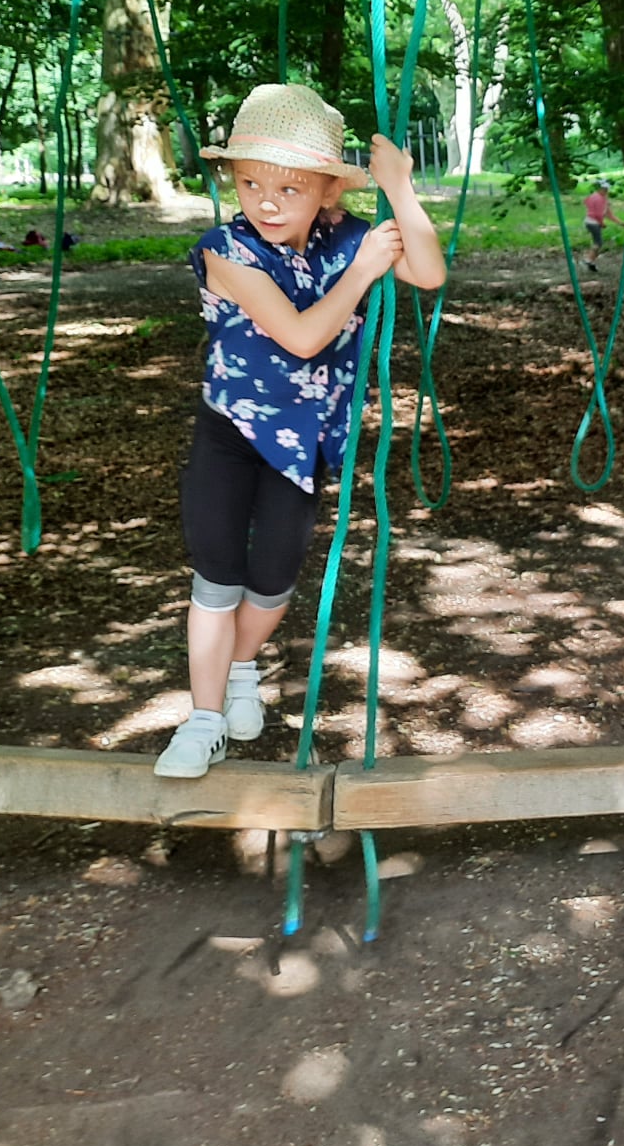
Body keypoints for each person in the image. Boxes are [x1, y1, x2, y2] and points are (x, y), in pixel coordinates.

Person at [154, 82, 447, 778]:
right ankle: (203, 722)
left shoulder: (347, 237)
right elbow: (302, 336)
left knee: (274, 580)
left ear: (327, 191)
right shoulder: (227, 250)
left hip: (307, 438)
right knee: (216, 575)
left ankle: (242, 668)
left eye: (289, 189)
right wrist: (361, 275)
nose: (266, 202)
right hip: (230, 431)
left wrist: (400, 189)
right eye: (250, 184)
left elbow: (428, 272)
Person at [584, 178, 621, 272]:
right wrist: (601, 223)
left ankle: (591, 261)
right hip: (593, 222)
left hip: (590, 221)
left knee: (597, 242)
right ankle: (588, 260)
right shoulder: (599, 199)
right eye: (605, 190)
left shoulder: (596, 197)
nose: (606, 192)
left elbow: (608, 214)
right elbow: (598, 214)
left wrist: (619, 222)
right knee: (598, 243)